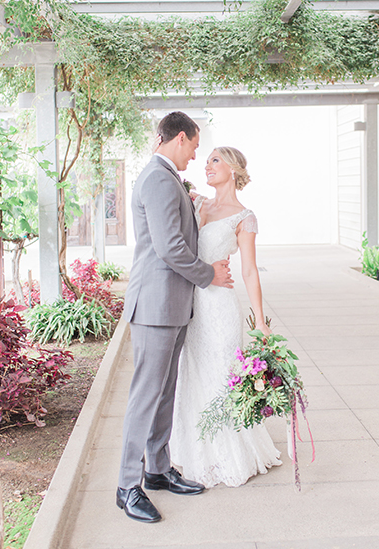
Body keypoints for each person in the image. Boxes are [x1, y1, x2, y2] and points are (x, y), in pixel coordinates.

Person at [117, 112, 234, 523]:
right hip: (155, 305)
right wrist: (210, 274)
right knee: (146, 395)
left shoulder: (166, 178)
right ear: (179, 138)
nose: (196, 154)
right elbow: (169, 247)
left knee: (165, 392)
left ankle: (158, 468)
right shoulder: (157, 178)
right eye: (195, 146)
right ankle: (127, 486)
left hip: (172, 305)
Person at [170, 146, 282, 487]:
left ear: (233, 169)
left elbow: (249, 271)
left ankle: (229, 453)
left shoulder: (244, 216)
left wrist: (260, 320)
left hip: (220, 309)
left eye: (214, 160)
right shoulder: (198, 204)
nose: (207, 166)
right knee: (193, 376)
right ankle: (192, 450)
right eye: (205, 161)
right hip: (193, 307)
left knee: (221, 375)